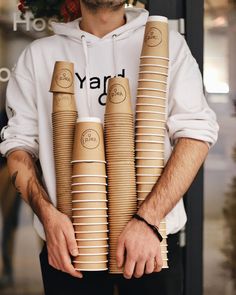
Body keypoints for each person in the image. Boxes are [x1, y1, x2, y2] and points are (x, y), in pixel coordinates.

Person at [0, 0, 219, 294]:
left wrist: (148, 221)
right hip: (70, 251)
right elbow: (18, 148)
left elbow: (196, 135)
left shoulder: (169, 44)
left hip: (151, 246)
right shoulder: (38, 56)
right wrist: (48, 217)